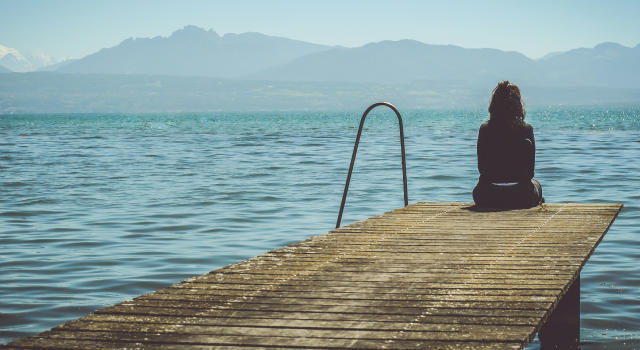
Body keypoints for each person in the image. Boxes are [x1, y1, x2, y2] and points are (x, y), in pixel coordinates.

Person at [472, 81, 544, 208]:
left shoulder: (485, 129)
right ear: (518, 105)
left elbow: (481, 168)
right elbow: (530, 172)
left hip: (487, 195)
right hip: (521, 195)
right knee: (536, 184)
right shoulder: (526, 129)